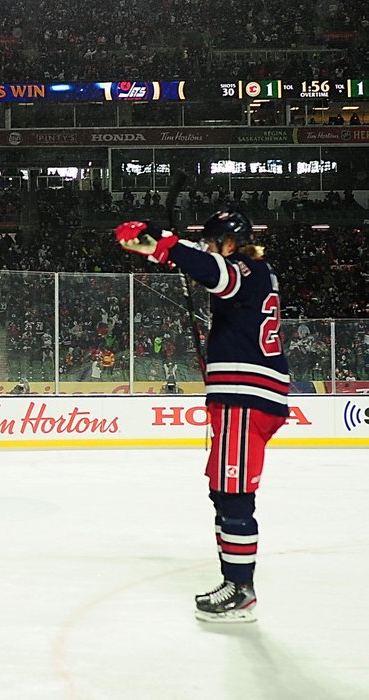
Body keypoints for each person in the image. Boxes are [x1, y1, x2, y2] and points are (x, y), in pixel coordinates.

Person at [116, 208, 289, 623]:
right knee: (222, 490)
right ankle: (233, 581)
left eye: (214, 243)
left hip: (247, 397)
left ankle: (241, 591)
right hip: (242, 396)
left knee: (233, 494)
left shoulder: (249, 269)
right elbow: (203, 262)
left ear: (229, 243)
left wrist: (167, 241)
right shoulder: (252, 270)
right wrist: (159, 245)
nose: (210, 249)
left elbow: (214, 271)